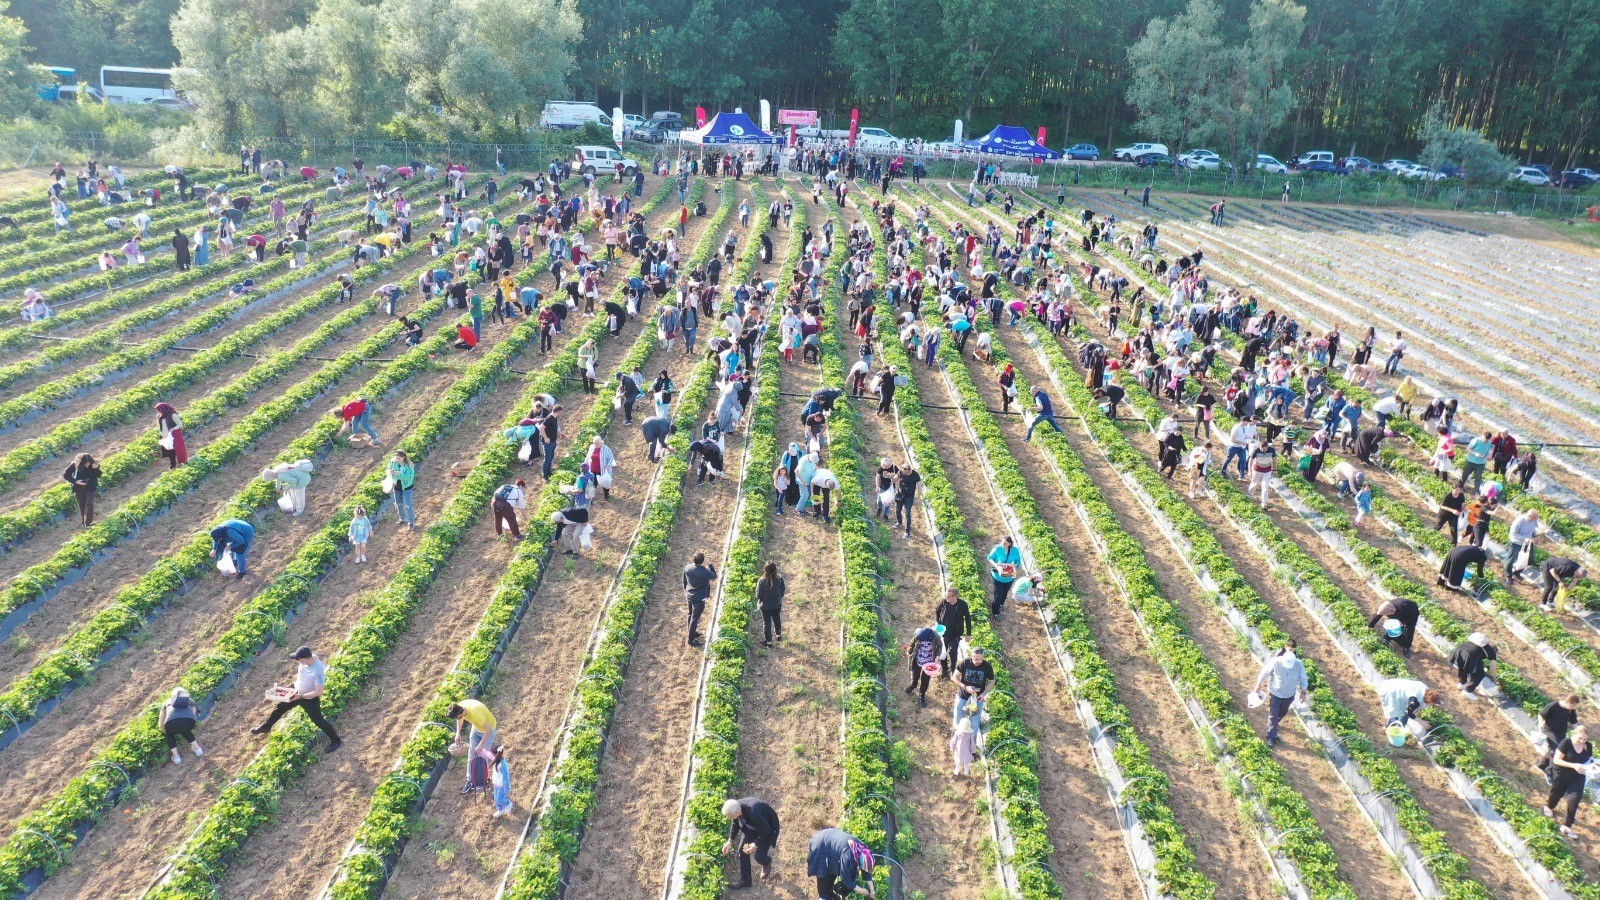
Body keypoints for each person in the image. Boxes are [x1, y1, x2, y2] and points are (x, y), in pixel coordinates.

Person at [251, 646, 341, 751]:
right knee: (280, 707)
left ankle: (336, 740)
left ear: (304, 659)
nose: (296, 661)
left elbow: (319, 692)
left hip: (309, 698)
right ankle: (266, 727)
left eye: (298, 659)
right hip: (295, 690)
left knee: (318, 720)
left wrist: (301, 696)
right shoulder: (307, 661)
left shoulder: (317, 671)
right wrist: (285, 689)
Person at [1253, 640, 1308, 748]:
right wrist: (1258, 685)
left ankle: (1273, 726)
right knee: (1273, 714)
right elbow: (1264, 672)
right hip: (1275, 692)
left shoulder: (1298, 664)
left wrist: (1303, 692)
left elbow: (1303, 678)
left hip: (1289, 694)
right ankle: (1271, 736)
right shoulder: (1276, 661)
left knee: (1282, 712)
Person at [722, 796, 781, 889]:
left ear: (736, 813)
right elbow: (735, 823)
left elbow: (766, 831)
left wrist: (756, 844)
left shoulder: (754, 813)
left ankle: (767, 861)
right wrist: (730, 840)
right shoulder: (736, 806)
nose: (730, 818)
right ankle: (746, 881)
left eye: (731, 817)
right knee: (742, 851)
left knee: (759, 857)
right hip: (752, 827)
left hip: (768, 828)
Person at [1545, 724, 1592, 838]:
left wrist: (1594, 765)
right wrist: (1573, 765)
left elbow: (1588, 760)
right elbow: (1556, 760)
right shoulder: (1566, 743)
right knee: (1557, 793)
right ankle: (1549, 807)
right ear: (1573, 734)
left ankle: (1567, 825)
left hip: (1578, 776)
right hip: (1562, 773)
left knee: (1574, 799)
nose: (1582, 741)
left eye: (1585, 739)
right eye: (1580, 738)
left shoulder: (1588, 746)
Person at [807, 827, 877, 899]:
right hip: (821, 846)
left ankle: (830, 894)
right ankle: (824, 897)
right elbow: (846, 879)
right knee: (824, 882)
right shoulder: (847, 856)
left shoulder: (863, 852)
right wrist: (861, 890)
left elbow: (866, 870)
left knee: (831, 874)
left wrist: (872, 890)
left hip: (831, 846)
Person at [448, 698, 497, 791]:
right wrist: (458, 733)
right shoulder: (460, 707)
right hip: (476, 729)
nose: (457, 718)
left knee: (482, 756)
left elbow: (489, 730)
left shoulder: (475, 713)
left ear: (459, 713)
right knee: (472, 755)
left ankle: (484, 780)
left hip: (489, 730)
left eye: (457, 717)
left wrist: (481, 745)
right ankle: (469, 780)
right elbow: (460, 719)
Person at [951, 644, 994, 732]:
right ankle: (957, 742)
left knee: (974, 724)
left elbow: (992, 682)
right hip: (963, 695)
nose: (979, 661)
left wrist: (983, 694)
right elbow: (954, 677)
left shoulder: (987, 666)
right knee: (958, 722)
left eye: (981, 659)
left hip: (978, 698)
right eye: (976, 659)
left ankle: (971, 744)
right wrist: (965, 687)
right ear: (971, 657)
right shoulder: (965, 663)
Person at [1539, 694, 1582, 781]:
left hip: (1560, 733)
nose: (1573, 707)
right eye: (1572, 705)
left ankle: (1542, 765)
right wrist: (1541, 723)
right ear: (1568, 702)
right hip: (1549, 730)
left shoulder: (1571, 711)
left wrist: (1580, 732)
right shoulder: (1554, 705)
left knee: (1553, 750)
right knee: (1557, 749)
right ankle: (1549, 772)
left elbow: (1573, 723)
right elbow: (1541, 714)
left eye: (1575, 706)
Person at [160, 687, 204, 765]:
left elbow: (161, 723)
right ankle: (197, 749)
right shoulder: (190, 701)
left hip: (171, 723)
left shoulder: (166, 703)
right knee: (185, 729)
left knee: (169, 734)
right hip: (189, 721)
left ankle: (176, 757)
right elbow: (193, 715)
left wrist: (166, 731)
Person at [1449, 632, 1499, 699]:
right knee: (1480, 674)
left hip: (1460, 649)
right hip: (1470, 655)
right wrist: (1496, 679)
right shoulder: (1492, 653)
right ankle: (1467, 691)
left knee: (1462, 666)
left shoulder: (1481, 644)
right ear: (1494, 651)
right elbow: (1492, 670)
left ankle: (1462, 684)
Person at [903, 625, 944, 707]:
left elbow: (940, 646)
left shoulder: (935, 636)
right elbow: (912, 643)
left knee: (925, 680)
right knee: (915, 675)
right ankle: (913, 685)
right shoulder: (918, 634)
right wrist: (909, 651)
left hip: (929, 661)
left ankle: (922, 696)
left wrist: (937, 656)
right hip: (918, 659)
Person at [935, 589, 972, 676]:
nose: (946, 598)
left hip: (955, 633)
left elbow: (967, 618)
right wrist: (937, 622)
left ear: (955, 597)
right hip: (943, 632)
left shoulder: (962, 605)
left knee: (952, 651)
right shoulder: (943, 602)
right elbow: (937, 612)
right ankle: (944, 670)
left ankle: (952, 670)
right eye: (946, 596)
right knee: (943, 651)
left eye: (948, 596)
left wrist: (968, 633)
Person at [684, 551, 717, 647]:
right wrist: (710, 564)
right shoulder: (705, 572)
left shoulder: (687, 567)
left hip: (689, 595)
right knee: (695, 618)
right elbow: (714, 576)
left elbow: (684, 580)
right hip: (699, 598)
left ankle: (691, 632)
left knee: (690, 614)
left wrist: (685, 590)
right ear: (703, 562)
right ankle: (691, 640)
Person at [987, 537, 1021, 617]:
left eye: (1005, 543)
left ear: (1010, 544)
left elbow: (1018, 561)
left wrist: (1013, 566)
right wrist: (996, 565)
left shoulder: (1014, 550)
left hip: (1009, 576)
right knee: (998, 594)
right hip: (998, 576)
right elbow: (990, 558)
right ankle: (995, 612)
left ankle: (1001, 604)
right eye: (1002, 542)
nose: (1003, 545)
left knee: (1005, 592)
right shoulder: (997, 549)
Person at [63, 453, 100, 526]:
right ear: (81, 462)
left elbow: (98, 475)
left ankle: (87, 523)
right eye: (86, 463)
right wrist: (76, 481)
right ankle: (84, 522)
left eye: (89, 463)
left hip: (91, 486)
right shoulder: (75, 465)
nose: (87, 465)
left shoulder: (93, 465)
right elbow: (66, 475)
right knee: (82, 505)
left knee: (89, 504)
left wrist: (95, 469)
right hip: (79, 488)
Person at [1505, 509, 1539, 580]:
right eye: (1534, 517)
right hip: (1516, 543)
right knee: (1511, 559)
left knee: (1527, 559)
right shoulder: (1520, 521)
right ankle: (1508, 575)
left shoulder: (1534, 520)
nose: (1536, 519)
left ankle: (1518, 572)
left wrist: (1535, 536)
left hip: (1528, 543)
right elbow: (1513, 534)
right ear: (1529, 516)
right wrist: (1525, 539)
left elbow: (1534, 529)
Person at [757, 561, 785, 647]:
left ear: (765, 570)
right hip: (777, 604)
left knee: (766, 622)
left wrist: (759, 600)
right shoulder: (779, 578)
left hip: (765, 606)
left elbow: (758, 595)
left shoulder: (761, 581)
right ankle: (778, 635)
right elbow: (782, 591)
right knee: (777, 619)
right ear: (775, 569)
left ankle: (768, 642)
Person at [387, 450, 417, 530]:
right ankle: (402, 519)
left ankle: (411, 522)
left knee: (407, 505)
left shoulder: (409, 466)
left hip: (407, 488)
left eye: (399, 459)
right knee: (399, 504)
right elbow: (389, 468)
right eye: (396, 458)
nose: (397, 460)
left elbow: (408, 478)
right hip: (397, 487)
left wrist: (398, 474)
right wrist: (390, 471)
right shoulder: (393, 462)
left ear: (404, 457)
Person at [156, 402, 189, 468]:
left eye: (159, 411)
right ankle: (173, 465)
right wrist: (157, 419)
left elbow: (180, 424)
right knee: (170, 451)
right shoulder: (161, 417)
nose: (158, 412)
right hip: (166, 436)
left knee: (178, 449)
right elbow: (160, 426)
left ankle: (183, 462)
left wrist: (173, 428)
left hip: (173, 436)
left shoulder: (172, 415)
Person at [491, 745, 513, 818]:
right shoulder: (496, 760)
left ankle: (508, 804)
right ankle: (500, 810)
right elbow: (488, 754)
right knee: (496, 799)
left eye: (492, 753)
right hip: (496, 785)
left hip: (501, 786)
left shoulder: (502, 764)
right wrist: (481, 750)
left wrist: (506, 787)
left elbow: (506, 777)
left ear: (495, 754)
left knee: (499, 799)